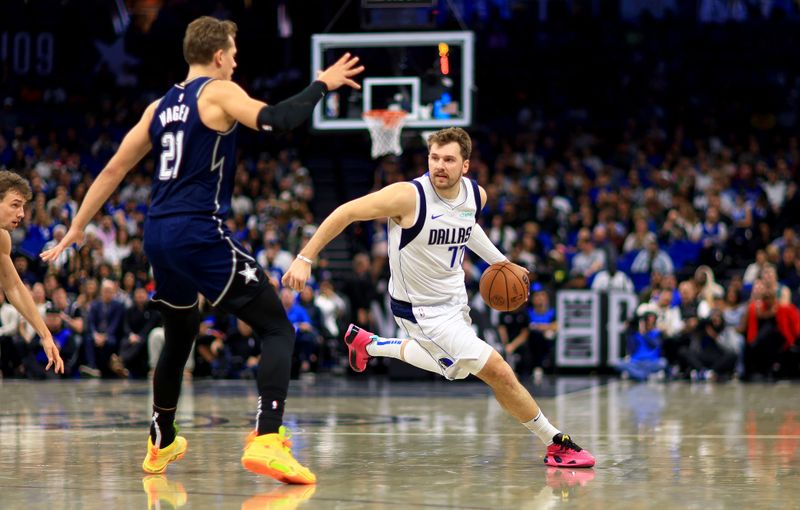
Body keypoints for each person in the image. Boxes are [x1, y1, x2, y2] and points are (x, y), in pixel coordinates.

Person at [42, 16, 363, 484]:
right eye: (233, 53)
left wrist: (76, 228)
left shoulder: (159, 107)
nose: (236, 61)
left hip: (158, 235)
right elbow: (277, 120)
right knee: (277, 327)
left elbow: (112, 170)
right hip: (197, 232)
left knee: (180, 333)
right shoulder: (216, 90)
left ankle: (161, 440)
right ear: (217, 56)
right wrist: (322, 83)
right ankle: (268, 439)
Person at [282, 127, 595, 468]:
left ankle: (369, 345)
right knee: (498, 371)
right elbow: (347, 212)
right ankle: (555, 442)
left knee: (457, 371)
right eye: (434, 158)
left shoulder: (476, 196)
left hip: (454, 299)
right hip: (419, 310)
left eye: (448, 159)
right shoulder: (408, 197)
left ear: (465, 165)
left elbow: (467, 225)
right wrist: (305, 258)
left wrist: (500, 261)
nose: (440, 166)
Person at [0, 171, 63, 375]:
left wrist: (45, 335)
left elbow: (14, 287)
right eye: (15, 205)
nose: (21, 214)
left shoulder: (3, 239)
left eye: (23, 207)